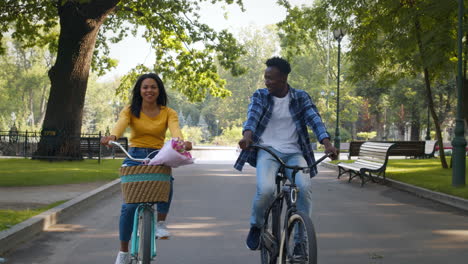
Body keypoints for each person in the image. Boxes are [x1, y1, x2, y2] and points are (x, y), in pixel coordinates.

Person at [234, 57, 338, 251]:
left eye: (270, 78)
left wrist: (327, 144)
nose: (267, 82)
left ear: (283, 78)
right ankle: (256, 226)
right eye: (265, 77)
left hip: (294, 153)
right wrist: (247, 138)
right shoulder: (260, 96)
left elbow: (314, 120)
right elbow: (252, 117)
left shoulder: (300, 97)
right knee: (265, 191)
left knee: (304, 188)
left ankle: (300, 241)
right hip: (268, 151)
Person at [101, 73, 192, 264]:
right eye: (145, 87)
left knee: (167, 183)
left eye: (153, 87)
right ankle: (123, 252)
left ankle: (160, 223)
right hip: (134, 155)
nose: (149, 90)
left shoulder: (169, 112)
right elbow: (120, 125)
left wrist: (181, 142)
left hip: (158, 156)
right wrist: (113, 137)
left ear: (159, 90)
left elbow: (175, 131)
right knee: (129, 206)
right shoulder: (130, 110)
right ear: (139, 91)